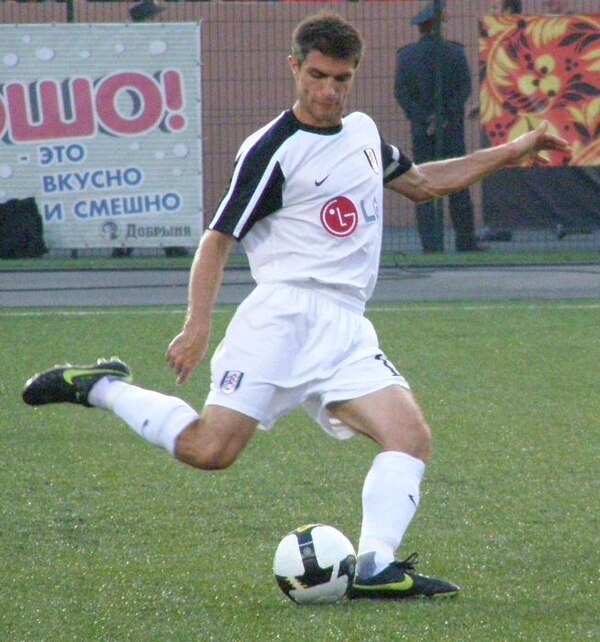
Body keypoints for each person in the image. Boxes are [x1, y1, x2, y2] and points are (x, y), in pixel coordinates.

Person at [22, 12, 571, 600]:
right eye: (316, 76)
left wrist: (512, 149)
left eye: (340, 78)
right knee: (211, 451)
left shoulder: (361, 134)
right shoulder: (270, 150)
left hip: (346, 324)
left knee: (409, 437)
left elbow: (423, 182)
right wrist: (197, 323)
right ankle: (99, 386)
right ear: (295, 68)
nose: (328, 91)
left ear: (354, 75)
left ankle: (376, 567)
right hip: (281, 318)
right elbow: (218, 239)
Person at [395, 2, 483, 253]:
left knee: (423, 186)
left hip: (422, 132)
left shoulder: (406, 56)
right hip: (451, 129)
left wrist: (425, 119)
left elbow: (401, 94)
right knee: (458, 183)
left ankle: (431, 246)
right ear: (437, 26)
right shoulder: (455, 53)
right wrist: (444, 116)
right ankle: (465, 242)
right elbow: (464, 88)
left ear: (421, 28)